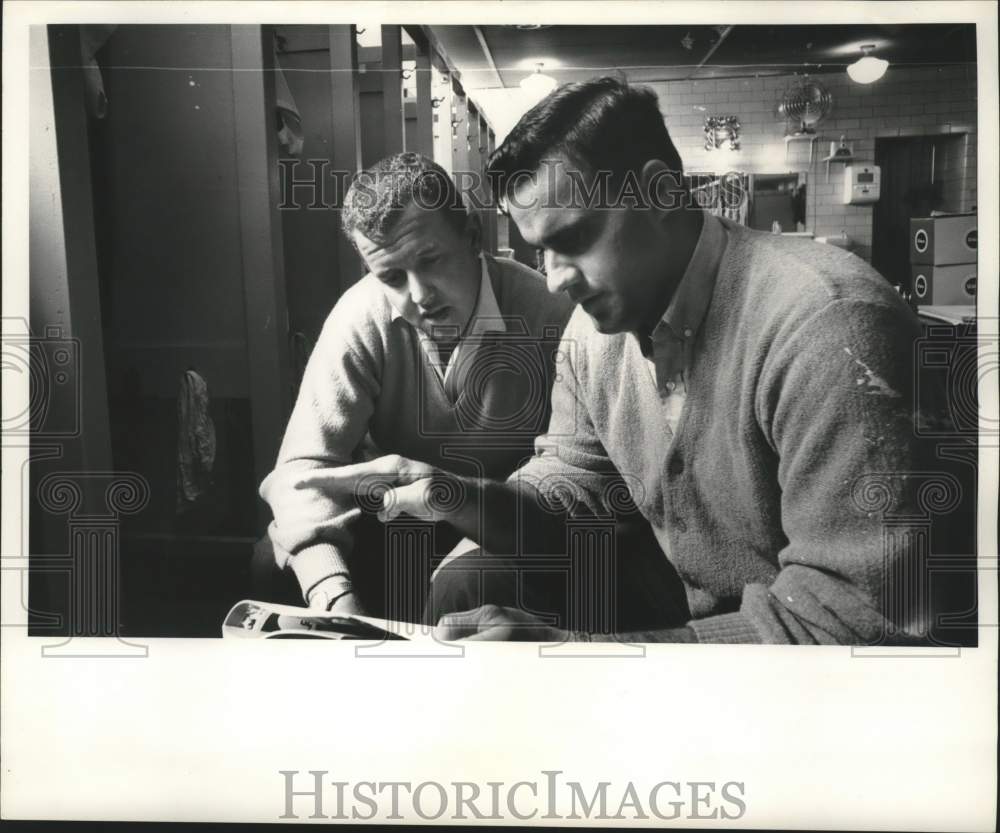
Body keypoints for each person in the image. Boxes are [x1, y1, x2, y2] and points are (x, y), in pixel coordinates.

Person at [298, 78, 946, 644]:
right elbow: (574, 492)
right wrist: (454, 494)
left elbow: (860, 615)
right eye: (537, 251)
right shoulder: (592, 334)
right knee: (473, 582)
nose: (554, 280)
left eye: (574, 239)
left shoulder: (824, 321)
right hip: (696, 617)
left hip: (819, 671)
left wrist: (582, 655)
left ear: (662, 193)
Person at [256, 152, 573, 618]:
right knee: (273, 565)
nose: (419, 295)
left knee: (466, 584)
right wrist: (333, 593)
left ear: (471, 236)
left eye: (431, 261)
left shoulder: (551, 314)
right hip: (394, 520)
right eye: (391, 276)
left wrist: (467, 521)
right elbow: (302, 471)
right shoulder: (360, 314)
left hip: (498, 519)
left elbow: (568, 476)